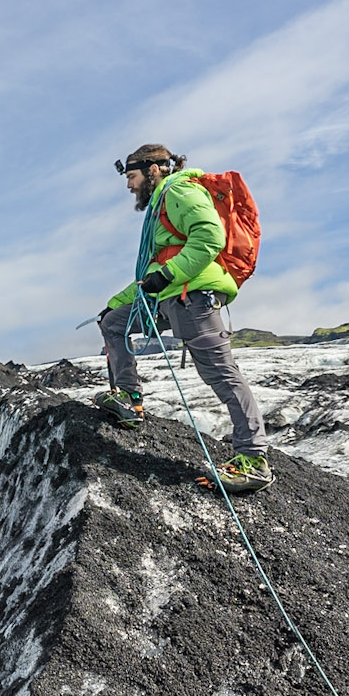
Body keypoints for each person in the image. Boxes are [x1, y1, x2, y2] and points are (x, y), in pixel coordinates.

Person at [96, 143, 273, 494]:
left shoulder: (178, 191)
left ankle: (254, 459)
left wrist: (169, 274)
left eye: (131, 176)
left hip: (193, 297)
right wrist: (113, 304)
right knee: (114, 323)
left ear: (154, 169)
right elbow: (154, 272)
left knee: (221, 373)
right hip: (171, 296)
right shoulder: (163, 202)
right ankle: (129, 400)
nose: (129, 186)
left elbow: (209, 237)